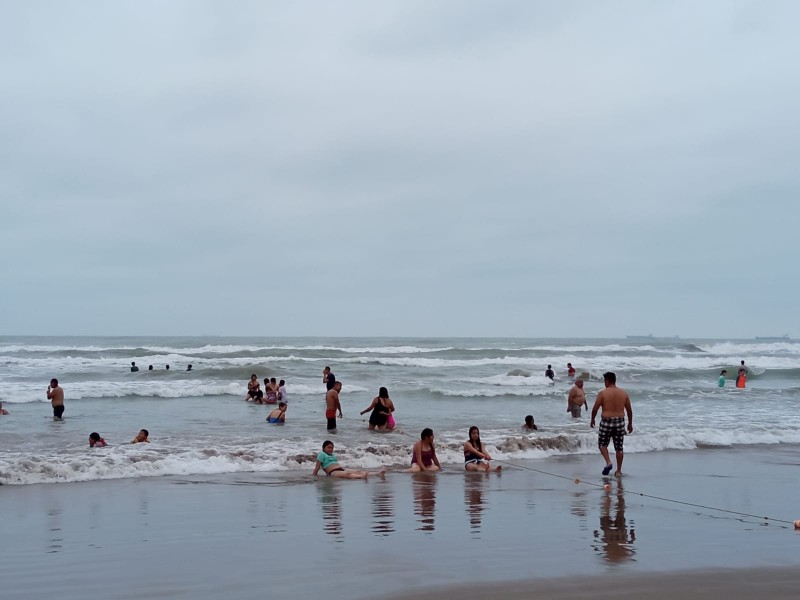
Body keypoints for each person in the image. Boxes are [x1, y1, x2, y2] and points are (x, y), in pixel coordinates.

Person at [590, 372, 633, 477]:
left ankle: (608, 462)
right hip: (620, 422)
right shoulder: (623, 393)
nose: (604, 383)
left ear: (608, 381)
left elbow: (595, 409)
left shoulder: (603, 393)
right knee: (619, 448)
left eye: (604, 381)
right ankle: (618, 471)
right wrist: (630, 424)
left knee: (602, 444)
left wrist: (592, 420)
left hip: (606, 421)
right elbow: (629, 411)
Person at [312, 440, 383, 479]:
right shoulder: (321, 454)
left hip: (340, 469)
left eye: (332, 448)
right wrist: (314, 477)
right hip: (332, 473)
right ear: (324, 448)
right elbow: (317, 468)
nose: (330, 449)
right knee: (348, 474)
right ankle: (362, 477)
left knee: (358, 471)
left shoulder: (333, 454)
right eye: (328, 447)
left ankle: (377, 473)